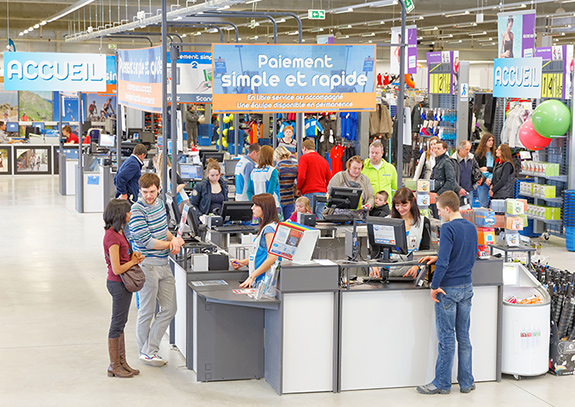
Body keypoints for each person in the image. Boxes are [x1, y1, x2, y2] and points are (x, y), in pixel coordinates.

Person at [416, 191, 477, 395]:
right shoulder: (471, 227)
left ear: (448, 209)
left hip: (448, 289)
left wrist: (434, 286)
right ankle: (466, 381)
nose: (439, 214)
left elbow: (443, 261)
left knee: (447, 338)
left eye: (440, 211)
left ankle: (442, 383)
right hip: (466, 287)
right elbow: (465, 255)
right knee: (464, 337)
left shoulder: (448, 228)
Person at [129, 173, 185, 366]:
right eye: (145, 192)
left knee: (170, 308)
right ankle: (147, 351)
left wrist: (174, 239)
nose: (149, 196)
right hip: (147, 265)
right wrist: (171, 244)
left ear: (158, 189)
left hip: (164, 264)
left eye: (152, 192)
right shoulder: (137, 210)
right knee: (147, 310)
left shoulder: (161, 204)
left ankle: (148, 349)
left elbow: (162, 231)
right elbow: (146, 241)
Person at [103, 199, 145, 378]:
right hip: (117, 283)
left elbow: (122, 257)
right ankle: (114, 364)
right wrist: (133, 262)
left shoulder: (120, 232)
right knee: (117, 324)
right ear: (120, 214)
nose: (130, 214)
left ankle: (122, 362)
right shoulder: (112, 236)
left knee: (121, 323)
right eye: (128, 212)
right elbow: (117, 268)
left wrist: (132, 256)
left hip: (122, 284)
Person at [370, 187, 431, 278]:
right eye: (397, 205)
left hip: (410, 274)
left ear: (412, 201)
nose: (400, 209)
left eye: (404, 205)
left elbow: (425, 249)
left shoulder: (423, 222)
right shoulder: (387, 221)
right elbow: (376, 248)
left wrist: (416, 266)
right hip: (387, 273)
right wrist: (374, 264)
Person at [231, 193, 281, 288]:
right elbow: (260, 255)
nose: (252, 208)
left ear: (265, 208)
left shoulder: (269, 230)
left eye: (256, 205)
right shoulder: (269, 226)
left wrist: (252, 276)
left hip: (263, 281)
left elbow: (272, 257)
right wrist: (243, 262)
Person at [297, 139, 332, 218]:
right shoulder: (324, 160)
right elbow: (329, 178)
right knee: (319, 217)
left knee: (307, 218)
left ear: (305, 148)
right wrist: (324, 189)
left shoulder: (304, 158)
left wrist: (299, 188)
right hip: (322, 193)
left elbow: (301, 176)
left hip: (309, 192)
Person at [247, 145, 281, 213]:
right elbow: (270, 193)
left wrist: (256, 202)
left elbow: (249, 191)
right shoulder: (273, 171)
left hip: (257, 208)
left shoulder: (254, 171)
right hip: (272, 206)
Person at [450, 140, 482, 207]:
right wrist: (458, 189)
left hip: (469, 191)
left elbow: (477, 169)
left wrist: (478, 178)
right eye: (466, 149)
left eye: (469, 149)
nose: (468, 151)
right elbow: (451, 178)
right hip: (456, 192)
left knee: (468, 213)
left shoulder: (471, 158)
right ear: (460, 149)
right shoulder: (452, 160)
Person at [274, 146, 298, 221]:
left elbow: (275, 184)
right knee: (289, 222)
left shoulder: (278, 167)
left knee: (280, 223)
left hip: (280, 199)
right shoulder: (295, 165)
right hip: (290, 199)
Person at [475, 133, 496, 208]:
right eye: (489, 140)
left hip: (493, 181)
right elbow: (476, 170)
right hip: (482, 181)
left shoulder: (495, 153)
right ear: (484, 141)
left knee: (493, 205)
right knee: (483, 205)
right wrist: (484, 179)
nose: (491, 142)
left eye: (492, 140)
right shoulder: (478, 154)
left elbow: (497, 168)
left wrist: (487, 168)